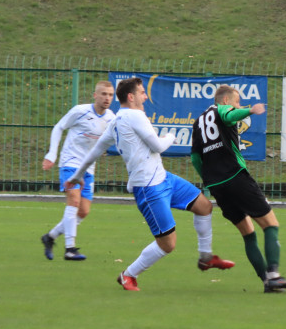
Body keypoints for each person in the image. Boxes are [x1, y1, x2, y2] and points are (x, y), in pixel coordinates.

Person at [65, 77, 234, 292]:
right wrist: (172, 135)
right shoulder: (135, 116)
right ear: (131, 97)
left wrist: (77, 175)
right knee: (167, 244)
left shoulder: (116, 121)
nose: (146, 96)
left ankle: (206, 257)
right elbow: (158, 146)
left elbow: (95, 151)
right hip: (148, 188)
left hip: (163, 178)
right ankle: (128, 275)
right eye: (142, 92)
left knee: (204, 206)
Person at [191, 85, 286, 293]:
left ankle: (266, 282)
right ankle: (274, 275)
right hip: (235, 177)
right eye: (237, 101)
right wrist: (250, 110)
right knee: (270, 224)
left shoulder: (198, 122)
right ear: (224, 100)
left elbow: (196, 157)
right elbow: (230, 115)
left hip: (216, 186)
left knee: (248, 233)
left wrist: (208, 179)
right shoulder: (220, 109)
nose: (237, 106)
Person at [40, 81, 116, 261]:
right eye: (103, 94)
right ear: (94, 95)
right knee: (73, 201)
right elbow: (59, 127)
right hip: (70, 162)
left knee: (83, 212)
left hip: (89, 167)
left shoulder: (111, 118)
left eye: (110, 95)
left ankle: (50, 237)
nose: (107, 98)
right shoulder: (80, 111)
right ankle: (70, 248)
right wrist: (52, 154)